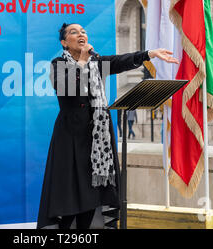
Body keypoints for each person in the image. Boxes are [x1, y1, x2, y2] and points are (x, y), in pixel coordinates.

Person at [37, 23, 179, 229]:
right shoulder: (58, 64)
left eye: (83, 31)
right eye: (74, 32)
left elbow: (120, 61)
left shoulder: (96, 62)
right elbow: (69, 88)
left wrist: (149, 54)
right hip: (71, 137)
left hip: (97, 139)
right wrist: (84, 61)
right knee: (69, 192)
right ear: (64, 43)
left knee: (93, 193)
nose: (81, 34)